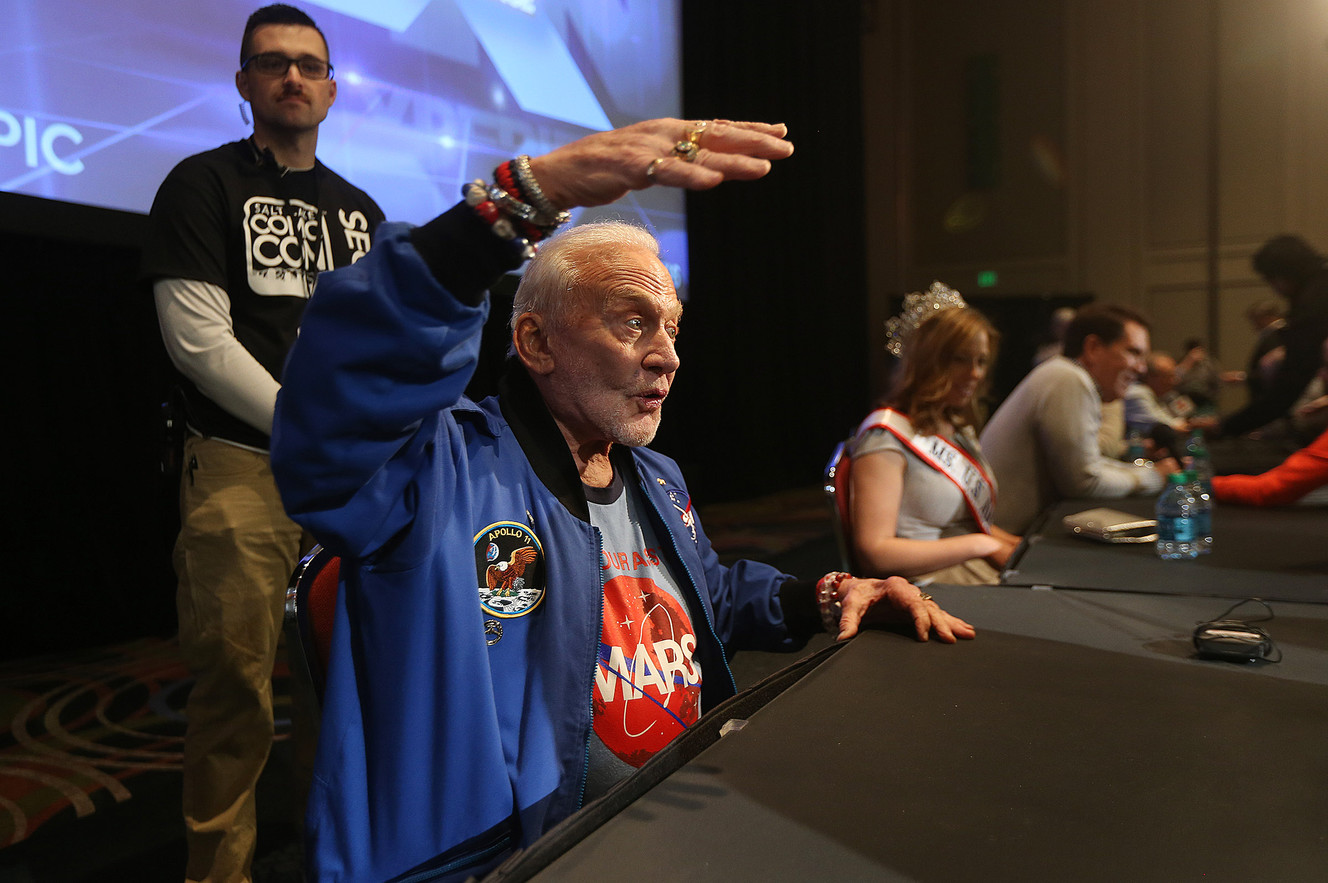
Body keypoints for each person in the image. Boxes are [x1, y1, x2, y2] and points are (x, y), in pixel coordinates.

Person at [270, 120, 975, 882]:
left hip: (673, 820)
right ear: (536, 343)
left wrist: (828, 593)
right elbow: (345, 388)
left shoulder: (655, 475)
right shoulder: (434, 471)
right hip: (507, 860)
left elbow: (706, 598)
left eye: (671, 327)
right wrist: (518, 201)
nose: (667, 355)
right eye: (632, 321)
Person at [140, 6, 384, 881]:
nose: (292, 77)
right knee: (234, 691)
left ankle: (337, 864)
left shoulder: (361, 212)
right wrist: (310, 427)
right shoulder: (200, 184)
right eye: (272, 63)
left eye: (309, 65)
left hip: (350, 479)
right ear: (243, 82)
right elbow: (197, 343)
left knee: (348, 686)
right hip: (241, 463)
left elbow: (381, 348)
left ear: (332, 89)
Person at [848, 283, 1020, 584]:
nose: (975, 373)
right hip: (927, 587)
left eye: (981, 361)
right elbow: (875, 553)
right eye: (960, 359)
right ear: (928, 360)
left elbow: (967, 524)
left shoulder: (956, 427)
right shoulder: (884, 437)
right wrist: (981, 545)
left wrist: (1017, 545)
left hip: (970, 574)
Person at [979, 304, 1179, 533]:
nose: (1142, 368)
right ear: (1093, 348)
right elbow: (1085, 482)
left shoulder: (1064, 373)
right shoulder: (1069, 378)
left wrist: (1147, 472)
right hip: (1005, 541)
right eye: (1133, 353)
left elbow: (1091, 463)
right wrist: (1154, 477)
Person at [1217, 234, 1328, 437]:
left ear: (1283, 274)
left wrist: (1225, 427)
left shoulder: (1311, 308)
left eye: (1271, 280)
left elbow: (1289, 386)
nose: (1275, 289)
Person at [1124, 352, 1203, 455]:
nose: (1175, 381)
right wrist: (1192, 424)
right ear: (1152, 378)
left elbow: (1182, 414)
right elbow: (1164, 425)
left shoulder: (1161, 394)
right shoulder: (1137, 394)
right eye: (1169, 376)